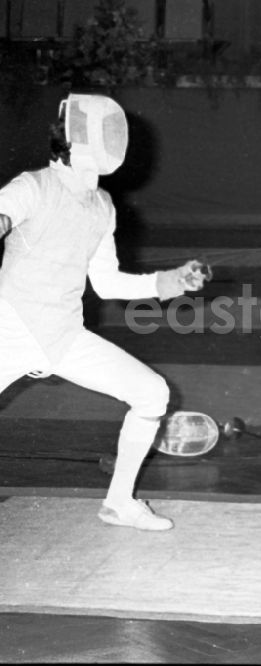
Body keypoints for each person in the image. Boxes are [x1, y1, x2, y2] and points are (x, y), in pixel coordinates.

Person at [0, 93, 207, 530]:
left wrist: (170, 281)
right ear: (73, 141)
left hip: (64, 335)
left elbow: (108, 282)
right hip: (10, 328)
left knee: (151, 392)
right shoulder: (33, 186)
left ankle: (118, 503)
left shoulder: (102, 206)